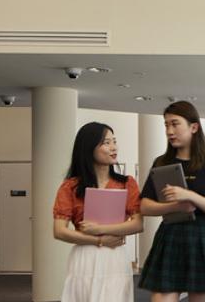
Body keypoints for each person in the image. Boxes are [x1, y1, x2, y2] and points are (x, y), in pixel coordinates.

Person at [139, 101, 205, 302]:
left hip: (201, 236)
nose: (169, 131)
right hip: (170, 235)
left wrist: (190, 195)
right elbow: (144, 206)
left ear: (194, 127)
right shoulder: (162, 162)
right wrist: (174, 206)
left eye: (175, 124)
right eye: (166, 125)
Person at [52, 122, 143, 302]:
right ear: (89, 148)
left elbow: (138, 224)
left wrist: (101, 230)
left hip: (115, 255)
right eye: (106, 143)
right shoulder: (70, 186)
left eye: (114, 141)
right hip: (85, 256)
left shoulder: (127, 183)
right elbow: (59, 231)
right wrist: (98, 239)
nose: (113, 147)